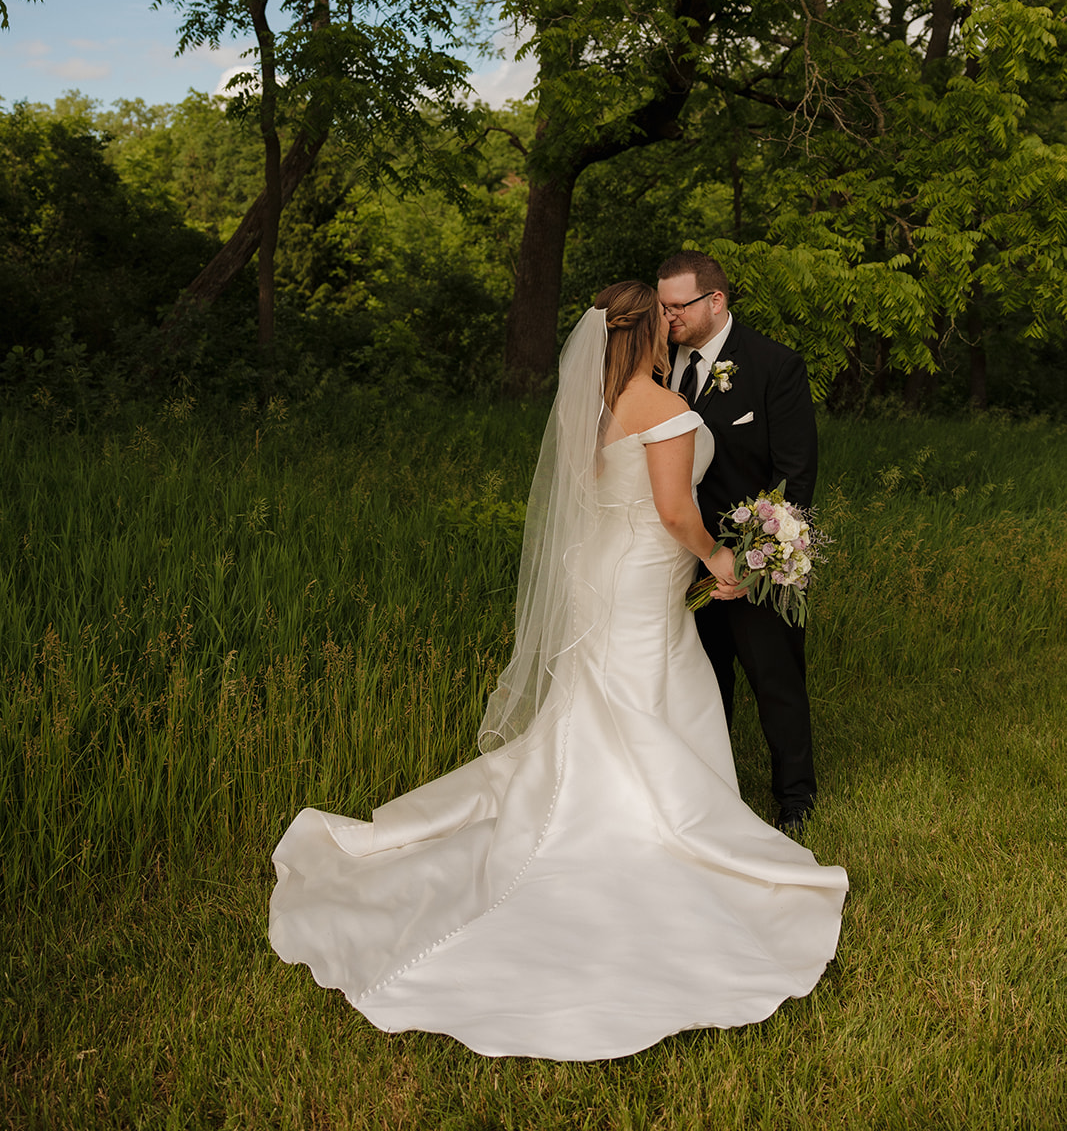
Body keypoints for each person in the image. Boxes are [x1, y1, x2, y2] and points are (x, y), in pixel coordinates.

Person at [269, 282, 847, 1062]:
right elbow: (676, 513)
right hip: (644, 573)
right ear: (647, 334)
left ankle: (600, 799)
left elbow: (596, 499)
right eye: (664, 319)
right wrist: (718, 558)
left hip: (603, 576)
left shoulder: (597, 405)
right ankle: (648, 826)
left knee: (604, 695)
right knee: (647, 691)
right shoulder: (663, 407)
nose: (674, 327)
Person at [656, 251, 820, 836]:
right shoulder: (656, 365)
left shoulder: (774, 365)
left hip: (753, 558)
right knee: (702, 680)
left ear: (715, 301)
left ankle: (796, 797)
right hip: (679, 557)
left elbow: (795, 475)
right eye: (663, 305)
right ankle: (712, 792)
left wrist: (754, 562)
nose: (668, 316)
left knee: (774, 677)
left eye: (679, 306)